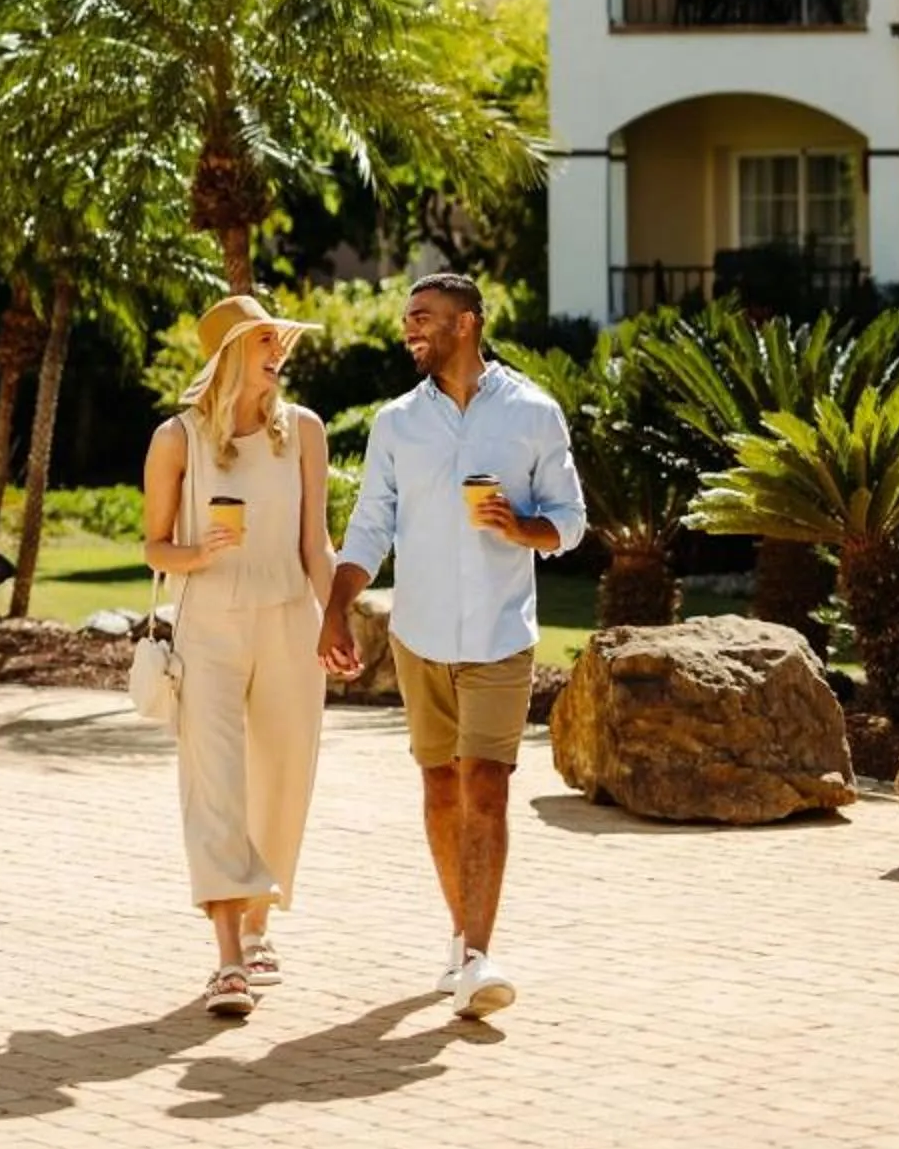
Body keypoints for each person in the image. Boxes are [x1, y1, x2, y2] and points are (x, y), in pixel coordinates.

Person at [317, 270, 585, 1021]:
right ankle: (462, 934)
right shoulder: (396, 423)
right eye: (408, 318)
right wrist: (335, 611)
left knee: (487, 785)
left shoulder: (532, 413)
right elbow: (369, 527)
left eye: (424, 316)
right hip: (421, 634)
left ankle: (476, 958)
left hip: (501, 632)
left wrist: (521, 527)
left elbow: (571, 520)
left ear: (466, 323)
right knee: (440, 785)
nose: (410, 328)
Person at [142, 293, 334, 1022]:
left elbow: (315, 545)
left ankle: (258, 928)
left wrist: (338, 621)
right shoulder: (177, 440)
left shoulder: (304, 431)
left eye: (278, 339)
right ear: (230, 356)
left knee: (283, 779)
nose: (277, 351)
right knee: (216, 785)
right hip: (209, 629)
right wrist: (199, 552)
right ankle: (227, 959)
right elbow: (154, 546)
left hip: (290, 622)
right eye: (263, 340)